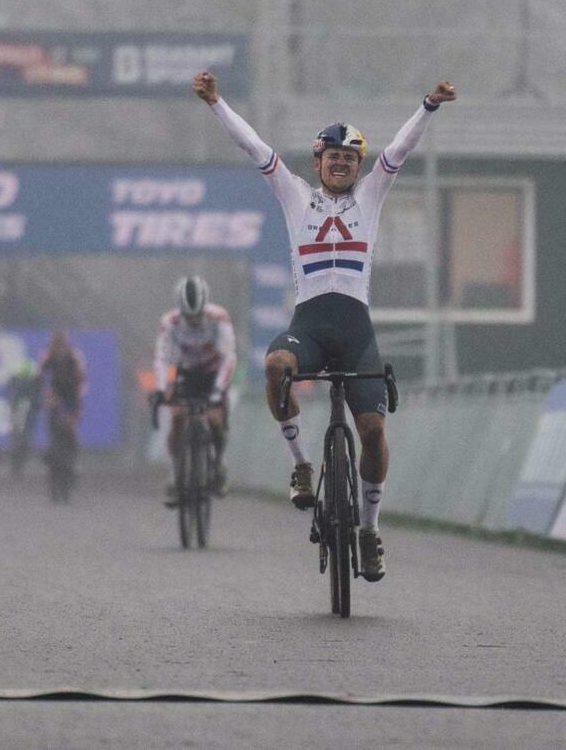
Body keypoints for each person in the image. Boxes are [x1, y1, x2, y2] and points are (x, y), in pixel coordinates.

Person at [193, 69, 456, 582]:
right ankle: (301, 463)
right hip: (310, 324)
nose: (341, 164)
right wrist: (216, 103)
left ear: (359, 166)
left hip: (356, 328)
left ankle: (370, 529)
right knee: (276, 366)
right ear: (318, 163)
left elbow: (400, 149)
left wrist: (428, 105)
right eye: (332, 158)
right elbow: (253, 146)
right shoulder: (293, 195)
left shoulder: (372, 195)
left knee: (374, 432)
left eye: (349, 159)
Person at [148, 275, 237, 505]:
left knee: (216, 422)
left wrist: (218, 392)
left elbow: (228, 357)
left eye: (198, 315)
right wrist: (160, 389)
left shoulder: (219, 317)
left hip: (213, 374)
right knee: (178, 420)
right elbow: (161, 358)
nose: (195, 320)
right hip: (186, 374)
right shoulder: (170, 322)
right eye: (190, 316)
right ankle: (175, 475)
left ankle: (217, 466)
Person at [38, 330, 87, 497]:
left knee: (70, 435)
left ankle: (71, 465)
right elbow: (40, 376)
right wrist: (46, 396)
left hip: (70, 398)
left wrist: (76, 405)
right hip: (58, 398)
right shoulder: (49, 356)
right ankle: (52, 459)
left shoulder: (74, 357)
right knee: (55, 435)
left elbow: (82, 380)